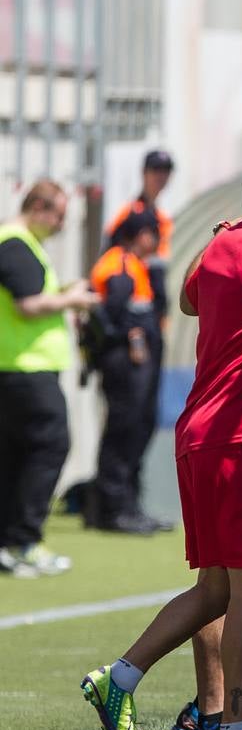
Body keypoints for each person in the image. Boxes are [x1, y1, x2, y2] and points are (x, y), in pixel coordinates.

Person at [81, 132, 242, 730]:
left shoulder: (221, 243)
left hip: (200, 435)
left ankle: (122, 678)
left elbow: (191, 297)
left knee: (218, 590)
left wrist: (229, 234)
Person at [0, 180, 96, 578]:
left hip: (20, 369)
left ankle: (10, 541)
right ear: (38, 207)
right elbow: (27, 305)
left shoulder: (19, 244)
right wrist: (72, 299)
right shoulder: (16, 243)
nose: (61, 225)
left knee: (15, 455)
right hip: (27, 368)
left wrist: (60, 291)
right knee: (51, 447)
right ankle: (25, 540)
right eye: (58, 215)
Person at [107, 149, 177, 513]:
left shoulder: (162, 219)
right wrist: (133, 332)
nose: (160, 176)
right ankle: (116, 501)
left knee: (144, 415)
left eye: (166, 170)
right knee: (128, 415)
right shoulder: (129, 216)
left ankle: (130, 498)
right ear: (144, 171)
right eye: (155, 169)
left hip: (152, 326)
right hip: (133, 330)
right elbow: (114, 270)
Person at [89, 209, 166, 534]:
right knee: (123, 431)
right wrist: (134, 341)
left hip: (137, 363)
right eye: (151, 232)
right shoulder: (118, 264)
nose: (156, 239)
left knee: (137, 429)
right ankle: (113, 510)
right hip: (125, 362)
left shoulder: (136, 264)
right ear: (138, 234)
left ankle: (130, 505)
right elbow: (116, 315)